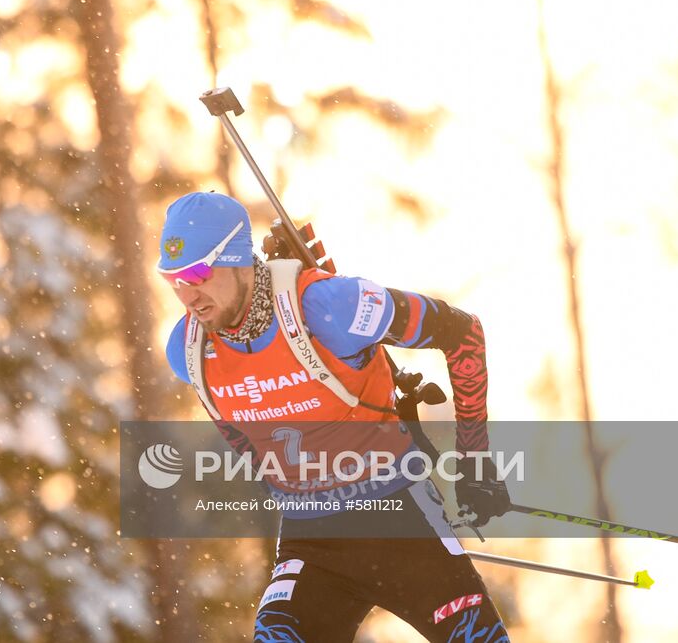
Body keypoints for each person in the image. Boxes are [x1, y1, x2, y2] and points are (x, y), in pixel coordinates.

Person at [157, 191, 512, 643]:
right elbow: (238, 431)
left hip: (401, 520)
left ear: (238, 260)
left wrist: (475, 459)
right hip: (311, 542)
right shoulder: (187, 351)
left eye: (197, 274)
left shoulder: (331, 306)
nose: (187, 294)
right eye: (173, 280)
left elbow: (462, 333)